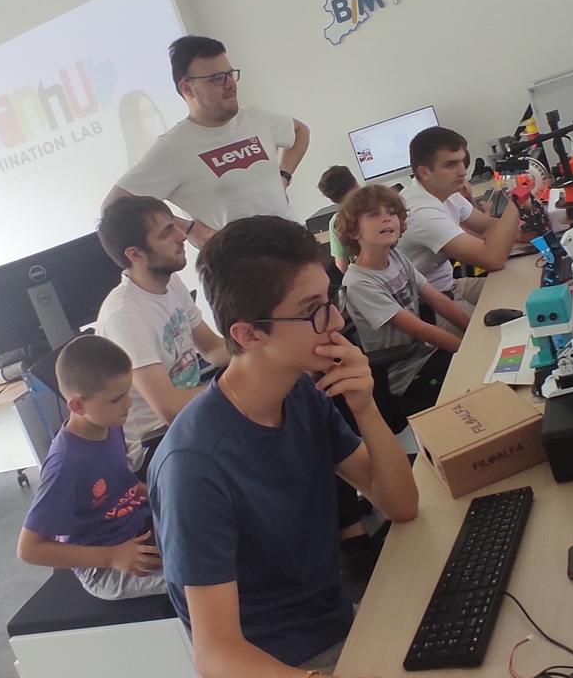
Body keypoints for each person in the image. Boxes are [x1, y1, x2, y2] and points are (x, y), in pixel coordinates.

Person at [150, 216, 419, 676]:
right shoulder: (193, 467)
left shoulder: (300, 391)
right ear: (248, 334)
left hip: (343, 622)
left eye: (329, 299)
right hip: (289, 663)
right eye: (314, 310)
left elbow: (401, 505)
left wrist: (365, 406)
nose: (337, 321)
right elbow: (216, 654)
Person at [109, 36, 311, 248]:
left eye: (230, 74)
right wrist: (189, 228)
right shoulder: (174, 147)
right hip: (242, 260)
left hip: (295, 245)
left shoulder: (254, 119)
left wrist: (284, 177)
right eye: (217, 78)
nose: (230, 84)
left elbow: (300, 132)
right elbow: (115, 207)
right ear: (187, 88)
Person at [15, 335, 167, 600]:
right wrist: (111, 556)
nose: (129, 404)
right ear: (78, 405)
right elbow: (29, 550)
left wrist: (163, 494)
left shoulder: (109, 424)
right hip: (105, 567)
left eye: (127, 393)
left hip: (140, 529)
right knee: (204, 574)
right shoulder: (65, 464)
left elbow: (127, 487)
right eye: (117, 399)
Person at [94, 195, 229, 477]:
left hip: (190, 419)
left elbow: (212, 348)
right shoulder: (125, 314)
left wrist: (262, 357)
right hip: (158, 446)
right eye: (167, 233)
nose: (182, 236)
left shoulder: (170, 283)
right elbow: (169, 407)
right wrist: (240, 384)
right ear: (135, 255)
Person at [335, 185, 469, 434]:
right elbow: (419, 329)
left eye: (391, 212)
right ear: (354, 231)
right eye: (374, 215)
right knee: (474, 377)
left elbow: (437, 299)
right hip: (405, 375)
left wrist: (472, 333)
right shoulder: (358, 282)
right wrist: (468, 349)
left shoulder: (396, 257)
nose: (387, 218)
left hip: (426, 355)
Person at [397, 126, 522, 309]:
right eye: (450, 165)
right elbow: (493, 259)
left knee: (525, 288)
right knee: (519, 308)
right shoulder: (419, 212)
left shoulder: (443, 190)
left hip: (452, 287)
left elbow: (488, 227)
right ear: (424, 172)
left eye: (462, 161)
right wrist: (517, 198)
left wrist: (522, 232)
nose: (462, 171)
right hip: (430, 306)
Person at [316, 165, 361, 273]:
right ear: (356, 183)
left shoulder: (337, 222)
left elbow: (342, 267)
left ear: (332, 200)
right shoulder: (384, 204)